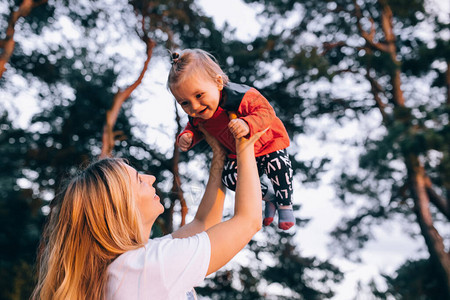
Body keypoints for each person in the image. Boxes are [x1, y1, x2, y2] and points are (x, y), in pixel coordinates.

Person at [31, 125, 266, 300]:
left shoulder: (129, 266)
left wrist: (220, 155)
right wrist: (244, 145)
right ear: (120, 207)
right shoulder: (146, 267)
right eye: (138, 180)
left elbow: (204, 224)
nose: (151, 178)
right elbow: (249, 220)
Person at [167, 48, 295, 230]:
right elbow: (194, 128)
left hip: (267, 144)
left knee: (279, 165)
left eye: (199, 95)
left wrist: (247, 123)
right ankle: (270, 198)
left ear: (218, 83)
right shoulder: (197, 116)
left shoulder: (239, 96)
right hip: (238, 155)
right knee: (229, 178)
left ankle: (285, 204)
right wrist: (187, 137)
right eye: (185, 103)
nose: (194, 106)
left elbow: (266, 111)